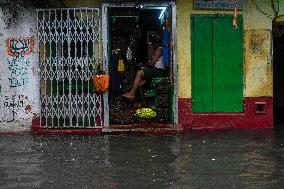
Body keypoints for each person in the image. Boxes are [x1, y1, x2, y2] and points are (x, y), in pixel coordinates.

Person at [123, 34, 166, 99]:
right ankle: (137, 96)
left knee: (139, 73)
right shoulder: (156, 50)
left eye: (153, 43)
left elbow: (151, 63)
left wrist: (142, 65)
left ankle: (132, 93)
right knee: (141, 80)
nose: (152, 45)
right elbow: (150, 62)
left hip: (159, 71)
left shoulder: (159, 50)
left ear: (157, 43)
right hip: (155, 70)